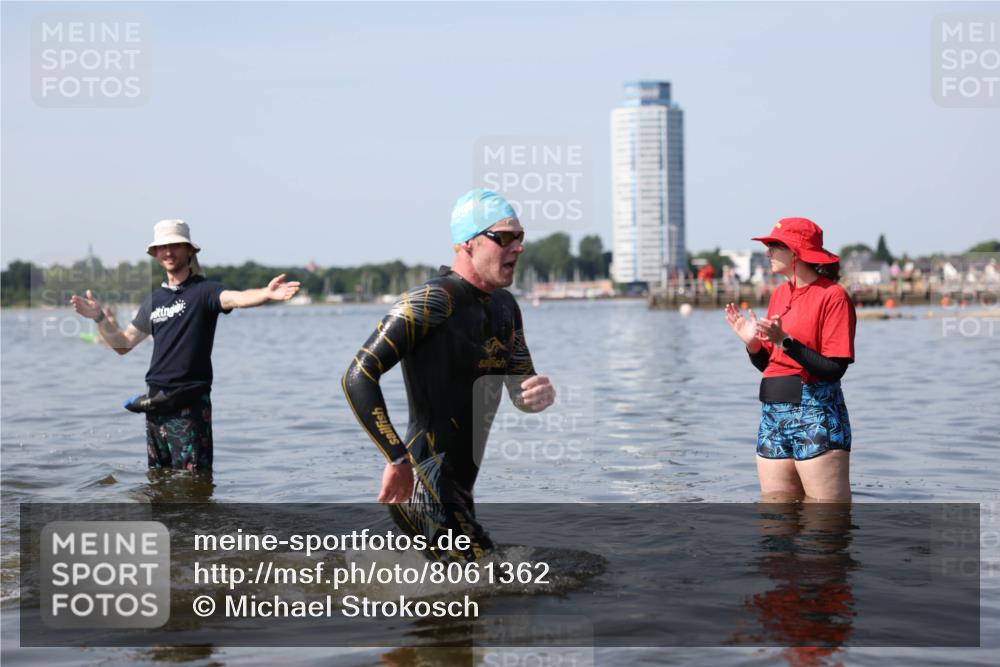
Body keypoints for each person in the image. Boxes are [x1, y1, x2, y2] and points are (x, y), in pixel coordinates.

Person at [342, 189, 556, 561]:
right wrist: (396, 459)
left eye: (520, 236)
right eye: (504, 236)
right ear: (467, 244)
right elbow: (358, 375)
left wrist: (535, 397)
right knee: (495, 583)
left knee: (471, 604)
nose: (518, 247)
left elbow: (520, 388)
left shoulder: (506, 307)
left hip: (459, 490)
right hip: (423, 487)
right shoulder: (430, 302)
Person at [70, 219, 300, 472]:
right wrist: (99, 317)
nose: (169, 252)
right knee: (158, 480)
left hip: (190, 403)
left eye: (176, 246)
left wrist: (266, 294)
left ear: (189, 250)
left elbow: (236, 297)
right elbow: (123, 344)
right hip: (155, 403)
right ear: (156, 254)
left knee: (195, 483)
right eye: (163, 247)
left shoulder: (206, 292)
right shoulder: (153, 302)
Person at [724, 217, 856, 502]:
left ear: (796, 252)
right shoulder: (780, 293)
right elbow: (771, 365)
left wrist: (785, 341)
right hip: (772, 416)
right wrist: (753, 344)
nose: (768, 252)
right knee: (775, 524)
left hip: (816, 414)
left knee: (826, 526)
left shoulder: (833, 296)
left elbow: (834, 369)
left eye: (774, 245)